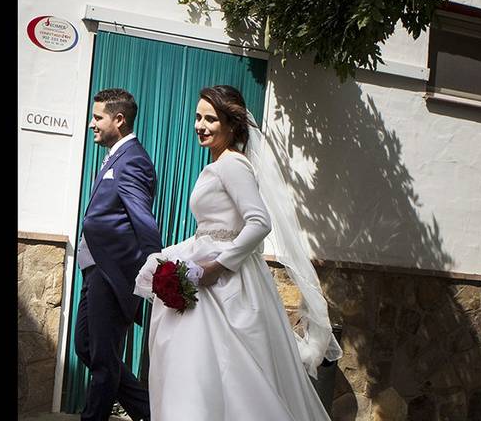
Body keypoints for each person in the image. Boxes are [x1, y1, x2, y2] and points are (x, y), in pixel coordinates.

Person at [134, 85, 342, 420]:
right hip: (204, 271)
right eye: (198, 117)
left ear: (232, 125)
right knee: (194, 370)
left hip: (221, 283)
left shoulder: (232, 164)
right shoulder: (220, 163)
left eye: (211, 119)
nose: (201, 125)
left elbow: (260, 222)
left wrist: (217, 265)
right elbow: (216, 224)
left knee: (220, 373)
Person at [75, 88, 163, 421]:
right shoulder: (115, 156)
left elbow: (142, 218)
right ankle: (151, 413)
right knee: (86, 347)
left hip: (112, 273)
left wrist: (155, 264)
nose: (92, 124)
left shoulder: (133, 160)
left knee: (102, 360)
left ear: (119, 120)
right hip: (95, 268)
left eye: (98, 117)